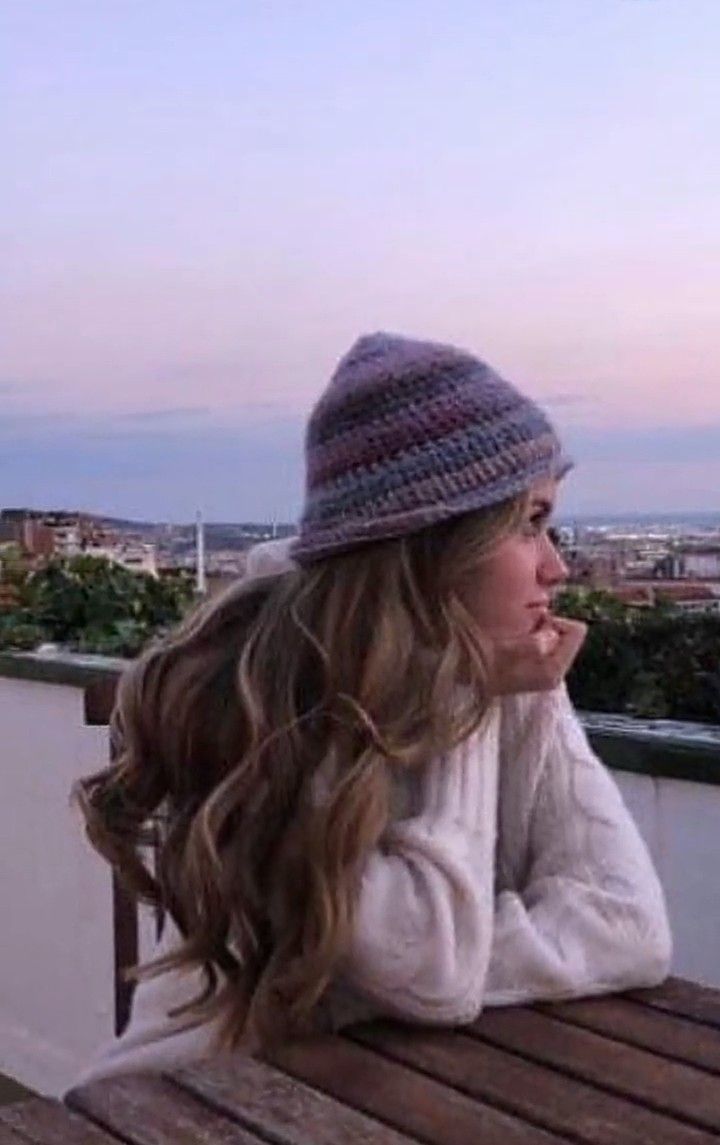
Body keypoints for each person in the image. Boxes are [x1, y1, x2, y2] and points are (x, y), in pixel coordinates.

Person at [73, 331, 672, 1085]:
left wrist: (361, 989)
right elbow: (433, 975)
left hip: (337, 1094)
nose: (557, 566)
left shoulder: (509, 664)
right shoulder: (282, 701)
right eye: (529, 522)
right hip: (172, 1102)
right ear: (435, 542)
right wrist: (465, 687)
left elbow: (628, 926)